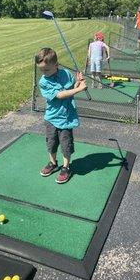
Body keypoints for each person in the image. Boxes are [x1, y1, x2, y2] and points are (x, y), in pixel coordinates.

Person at [35, 47, 87, 184]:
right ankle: (53, 163)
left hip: (66, 118)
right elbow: (59, 95)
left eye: (46, 69)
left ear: (56, 65)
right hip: (52, 118)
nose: (43, 73)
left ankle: (66, 167)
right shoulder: (43, 82)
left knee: (66, 145)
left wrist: (78, 82)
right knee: (51, 144)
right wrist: (79, 89)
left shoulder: (66, 74)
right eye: (41, 70)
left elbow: (70, 90)